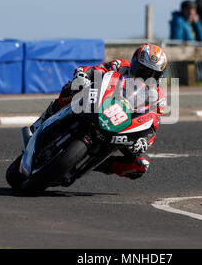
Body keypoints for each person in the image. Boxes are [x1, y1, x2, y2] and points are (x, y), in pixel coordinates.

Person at [30, 43, 168, 180]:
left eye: (152, 74)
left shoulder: (159, 97)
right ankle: (42, 121)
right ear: (133, 62)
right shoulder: (120, 65)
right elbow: (97, 69)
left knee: (140, 165)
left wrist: (144, 141)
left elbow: (152, 126)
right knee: (73, 87)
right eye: (142, 70)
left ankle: (97, 164)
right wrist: (83, 74)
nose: (144, 75)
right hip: (100, 102)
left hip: (124, 125)